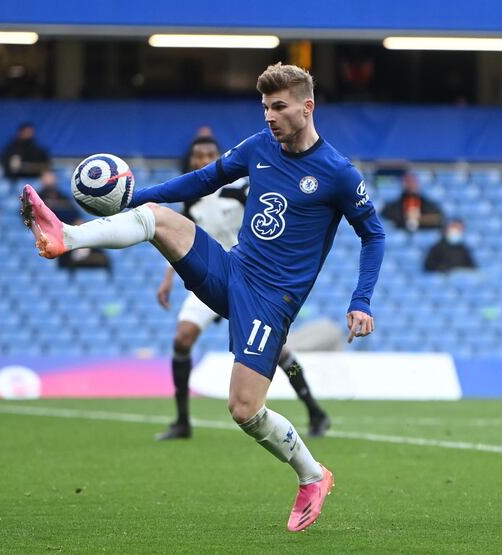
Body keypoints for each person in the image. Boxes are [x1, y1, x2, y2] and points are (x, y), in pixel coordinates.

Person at [20, 63, 385, 532]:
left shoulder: (337, 172)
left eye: (279, 107)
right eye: (265, 108)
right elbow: (200, 181)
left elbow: (373, 235)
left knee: (244, 409)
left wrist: (362, 299)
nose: (270, 116)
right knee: (156, 216)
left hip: (271, 300)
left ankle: (312, 475)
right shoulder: (258, 147)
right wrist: (131, 196)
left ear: (307, 107)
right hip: (232, 268)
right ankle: (65, 235)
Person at [156, 137, 330, 441]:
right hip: (209, 278)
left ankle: (315, 410)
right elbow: (181, 238)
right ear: (192, 161)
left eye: (211, 154)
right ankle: (182, 420)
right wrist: (168, 278)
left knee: (280, 354)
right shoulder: (191, 201)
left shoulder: (240, 190)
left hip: (248, 279)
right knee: (182, 339)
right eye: (199, 155)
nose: (205, 159)